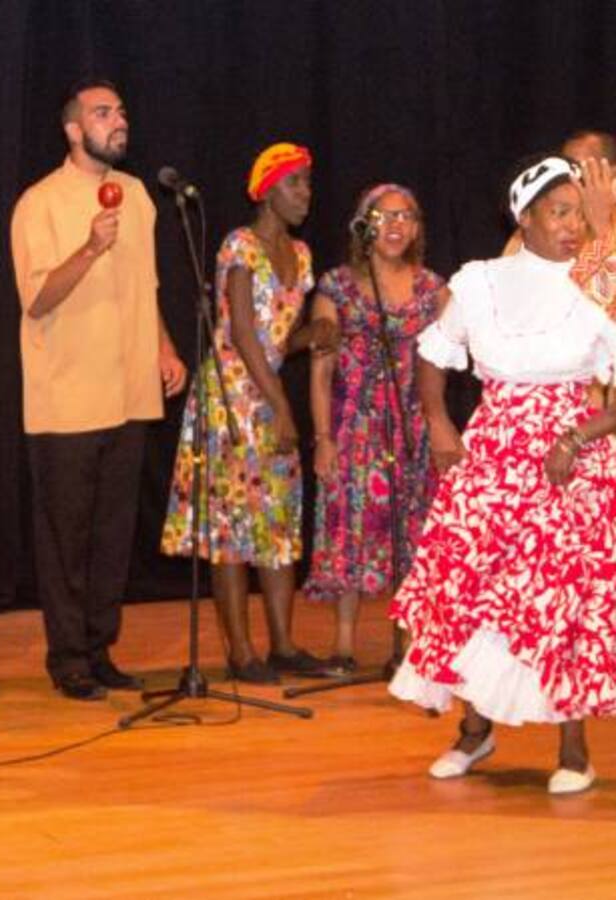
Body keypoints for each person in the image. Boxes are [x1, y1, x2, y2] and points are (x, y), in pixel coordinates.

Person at [389, 154, 616, 795]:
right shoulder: (481, 282)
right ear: (526, 217)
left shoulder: (598, 280)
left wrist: (575, 436)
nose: (572, 226)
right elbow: (434, 355)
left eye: (580, 212)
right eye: (560, 212)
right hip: (491, 454)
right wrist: (437, 422)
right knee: (470, 590)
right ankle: (474, 730)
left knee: (559, 600)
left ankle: (574, 750)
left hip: (568, 460)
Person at [11, 78, 186, 702]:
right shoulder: (40, 202)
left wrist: (163, 346)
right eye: (103, 113)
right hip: (67, 397)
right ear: (72, 129)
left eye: (122, 111)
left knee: (114, 534)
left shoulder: (138, 195)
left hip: (130, 390)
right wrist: (89, 246)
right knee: (68, 538)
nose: (119, 121)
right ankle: (67, 658)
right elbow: (36, 297)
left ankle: (99, 646)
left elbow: (149, 288)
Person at [160, 142, 334, 684]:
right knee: (232, 532)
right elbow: (240, 332)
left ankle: (282, 644)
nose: (305, 193)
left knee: (277, 525)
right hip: (234, 400)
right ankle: (240, 652)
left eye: (308, 182)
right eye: (295, 183)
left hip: (268, 390)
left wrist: (317, 335)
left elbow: (278, 338)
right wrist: (281, 405)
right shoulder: (241, 246)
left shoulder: (302, 257)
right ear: (267, 190)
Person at [303, 185, 447, 671]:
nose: (396, 225)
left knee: (411, 534)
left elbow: (456, 354)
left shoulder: (432, 290)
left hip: (413, 428)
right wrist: (322, 438)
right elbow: (321, 369)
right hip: (354, 428)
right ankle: (343, 644)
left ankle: (403, 644)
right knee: (351, 534)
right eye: (384, 217)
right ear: (364, 227)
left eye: (407, 216)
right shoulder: (337, 286)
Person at [502, 129, 616, 256]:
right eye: (564, 168)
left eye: (579, 168)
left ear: (611, 173)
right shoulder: (540, 228)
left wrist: (602, 228)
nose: (569, 177)